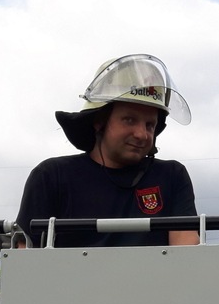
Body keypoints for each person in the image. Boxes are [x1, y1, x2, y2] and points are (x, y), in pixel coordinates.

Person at [15, 54, 199, 248]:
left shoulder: (171, 177)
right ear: (99, 121)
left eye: (150, 125)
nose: (142, 134)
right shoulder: (52, 177)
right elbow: (25, 256)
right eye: (129, 120)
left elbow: (185, 252)